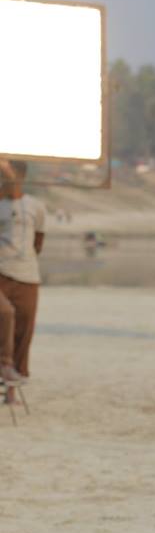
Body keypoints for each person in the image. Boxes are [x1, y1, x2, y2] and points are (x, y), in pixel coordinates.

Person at [0, 159, 46, 404]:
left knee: (23, 331)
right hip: (1, 273)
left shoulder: (35, 207)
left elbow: (38, 243)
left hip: (27, 276)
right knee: (4, 318)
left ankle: (11, 391)